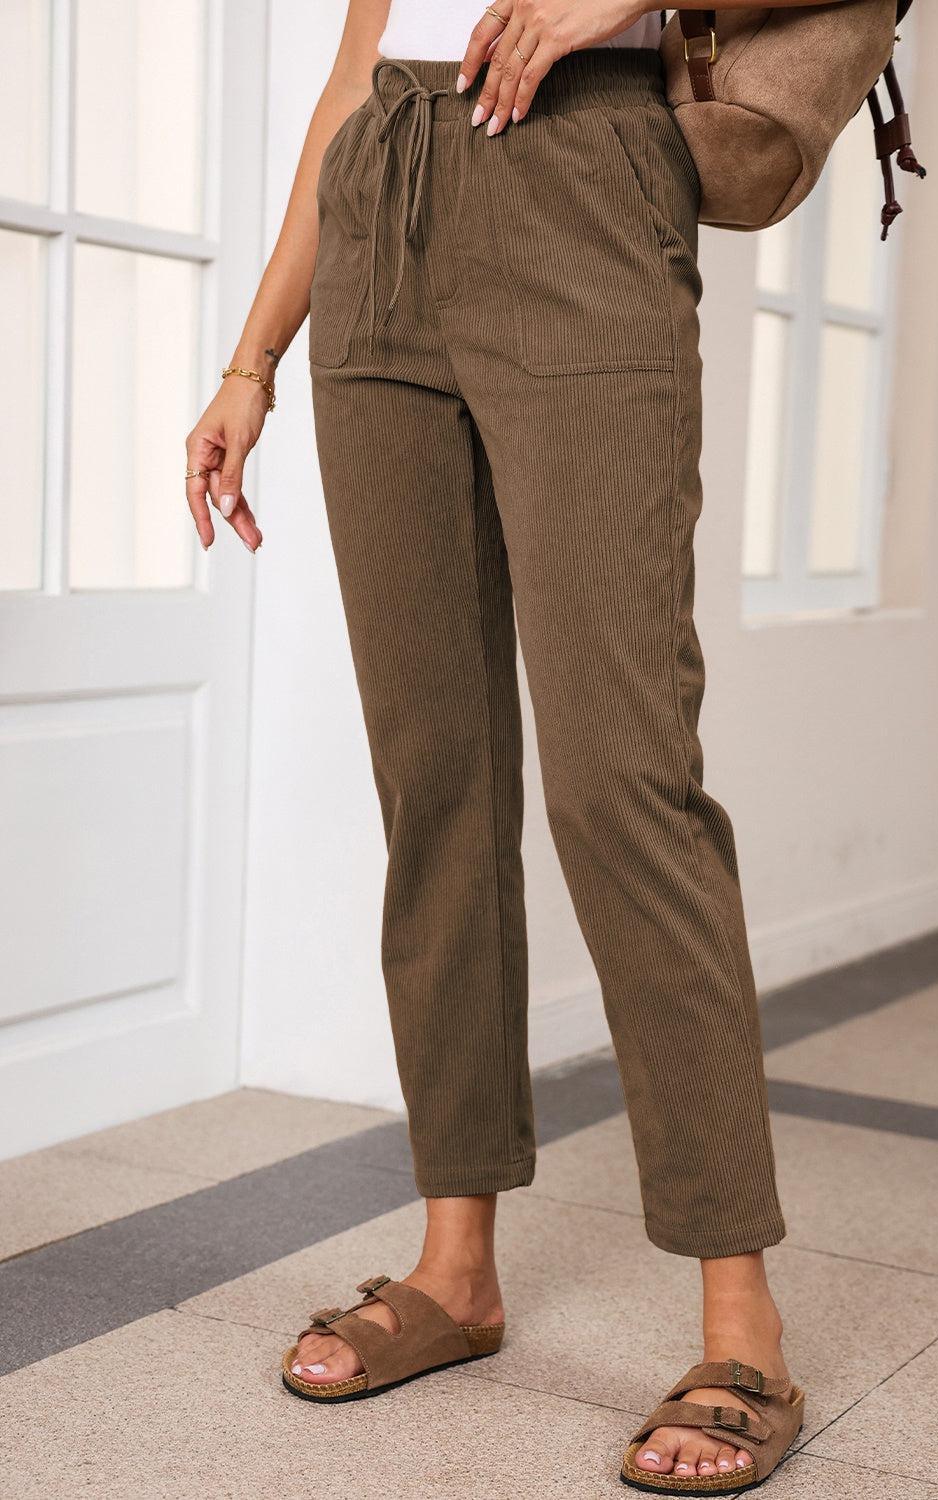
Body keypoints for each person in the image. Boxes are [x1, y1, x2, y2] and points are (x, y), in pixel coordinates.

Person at [184, 1, 836, 1490]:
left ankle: (743, 1317)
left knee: (625, 785)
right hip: (381, 222)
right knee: (439, 782)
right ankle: (455, 1264)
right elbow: (352, 82)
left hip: (584, 178)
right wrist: (252, 359)